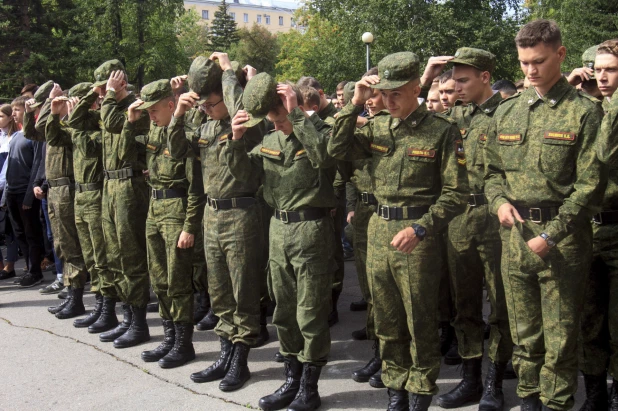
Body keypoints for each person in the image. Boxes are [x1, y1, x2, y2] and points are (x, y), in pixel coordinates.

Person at [330, 51, 469, 411]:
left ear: (413, 88)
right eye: (383, 93)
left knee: (420, 318)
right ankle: (396, 388)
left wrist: (421, 229)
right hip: (377, 228)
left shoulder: (441, 131)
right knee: (387, 317)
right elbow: (336, 148)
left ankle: (421, 387)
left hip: (417, 235)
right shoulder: (376, 126)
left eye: (395, 93)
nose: (387, 101)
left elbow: (456, 193)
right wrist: (354, 102)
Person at [484, 19, 606, 411]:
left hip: (562, 242)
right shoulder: (507, 112)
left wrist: (551, 235)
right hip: (515, 237)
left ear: (560, 55)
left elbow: (589, 187)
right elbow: (491, 173)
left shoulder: (584, 113)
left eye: (538, 61)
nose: (530, 70)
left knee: (561, 336)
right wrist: (498, 201)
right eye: (523, 63)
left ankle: (556, 403)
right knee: (524, 334)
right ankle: (528, 398)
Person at [227, 74, 337, 411]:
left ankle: (310, 386)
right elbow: (245, 176)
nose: (277, 120)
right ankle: (291, 379)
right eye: (273, 117)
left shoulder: (320, 131)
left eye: (279, 113)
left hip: (311, 231)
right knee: (284, 311)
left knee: (310, 312)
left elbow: (324, 158)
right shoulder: (270, 139)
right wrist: (236, 141)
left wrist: (299, 113)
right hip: (279, 231)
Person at [421, 47, 513, 410]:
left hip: (495, 221)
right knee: (465, 305)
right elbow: (409, 112)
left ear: (485, 78)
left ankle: (495, 381)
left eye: (463, 80)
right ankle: (470, 379)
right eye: (452, 80)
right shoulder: (453, 116)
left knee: (502, 306)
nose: (454, 87)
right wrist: (427, 74)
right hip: (460, 220)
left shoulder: (508, 112)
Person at [171, 53, 265, 391]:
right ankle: (225, 352)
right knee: (220, 290)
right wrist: (180, 113)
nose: (207, 110)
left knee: (243, 291)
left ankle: (241, 360)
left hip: (241, 214)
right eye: (203, 106)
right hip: (212, 215)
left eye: (211, 104)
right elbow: (178, 150)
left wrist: (227, 72)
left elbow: (241, 105)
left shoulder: (246, 126)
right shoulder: (207, 125)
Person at [120, 79, 204, 369]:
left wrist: (190, 226)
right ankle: (169, 337)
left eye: (154, 110)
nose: (150, 115)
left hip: (177, 209)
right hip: (154, 208)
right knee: (160, 278)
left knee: (178, 279)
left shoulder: (186, 135)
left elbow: (196, 188)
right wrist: (131, 124)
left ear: (171, 105)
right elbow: (123, 156)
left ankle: (184, 343)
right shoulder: (151, 130)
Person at [70, 59, 152, 347]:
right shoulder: (108, 105)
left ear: (119, 81)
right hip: (109, 185)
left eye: (106, 86)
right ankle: (127, 317)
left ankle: (139, 323)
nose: (103, 91)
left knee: (130, 256)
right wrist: (95, 94)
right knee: (115, 255)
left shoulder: (135, 106)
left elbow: (114, 123)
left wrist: (108, 96)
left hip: (130, 186)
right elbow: (74, 122)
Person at [26, 83, 89, 319]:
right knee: (61, 244)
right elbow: (34, 131)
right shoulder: (54, 125)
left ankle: (77, 296)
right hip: (54, 189)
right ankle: (72, 293)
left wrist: (59, 112)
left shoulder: (69, 126)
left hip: (67, 187)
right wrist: (39, 109)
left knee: (71, 245)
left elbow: (46, 128)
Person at [578, 38, 618, 411]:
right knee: (589, 321)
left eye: (611, 70)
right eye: (598, 70)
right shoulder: (583, 108)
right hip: (587, 229)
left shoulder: (604, 112)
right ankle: (594, 394)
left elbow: (603, 153)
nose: (602, 77)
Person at [297, 75, 345, 327]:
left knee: (332, 253)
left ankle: (331, 301)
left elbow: (336, 168)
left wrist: (335, 198)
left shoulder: (327, 124)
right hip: (312, 197)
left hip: (329, 198)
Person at [3, 82, 48, 288]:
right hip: (12, 191)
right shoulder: (15, 136)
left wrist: (30, 194)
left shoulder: (33, 135)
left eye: (17, 109)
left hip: (25, 192)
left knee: (32, 233)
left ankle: (35, 270)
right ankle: (29, 268)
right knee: (19, 233)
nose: (14, 113)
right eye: (12, 110)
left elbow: (38, 164)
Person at [0, 104, 21, 280]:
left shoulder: (14, 137)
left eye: (1, 116)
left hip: (7, 186)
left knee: (9, 228)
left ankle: (10, 264)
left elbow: (7, 169)